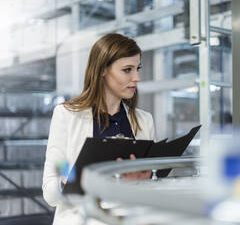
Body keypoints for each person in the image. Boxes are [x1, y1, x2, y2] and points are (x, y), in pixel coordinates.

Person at [42, 33, 155, 224]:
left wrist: (142, 180)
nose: (136, 78)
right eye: (127, 70)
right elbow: (51, 189)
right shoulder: (66, 115)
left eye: (138, 68)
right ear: (103, 70)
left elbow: (152, 183)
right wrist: (69, 181)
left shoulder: (144, 121)